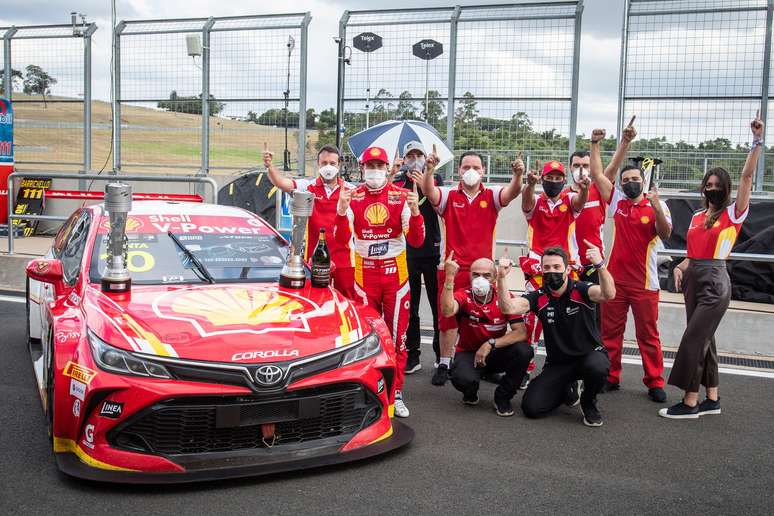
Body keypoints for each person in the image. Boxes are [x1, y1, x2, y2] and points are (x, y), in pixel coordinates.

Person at [660, 114, 763, 419]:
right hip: (694, 276)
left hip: (716, 280)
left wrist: (756, 142)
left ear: (725, 188)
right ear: (703, 188)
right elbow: (693, 252)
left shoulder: (734, 213)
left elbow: (746, 177)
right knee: (705, 338)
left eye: (718, 185)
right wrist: (680, 267)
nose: (712, 188)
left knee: (694, 338)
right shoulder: (694, 217)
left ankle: (691, 402)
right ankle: (712, 398)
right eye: (708, 184)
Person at [334, 146, 424, 418]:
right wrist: (340, 211)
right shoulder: (353, 196)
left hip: (396, 280)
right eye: (369, 166)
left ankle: (396, 392)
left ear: (387, 168)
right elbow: (339, 241)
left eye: (379, 165)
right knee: (367, 338)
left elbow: (417, 241)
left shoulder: (402, 196)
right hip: (364, 279)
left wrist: (417, 214)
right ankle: (368, 390)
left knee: (397, 340)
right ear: (362, 168)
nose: (374, 170)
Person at [422, 148, 524, 386]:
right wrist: (429, 170)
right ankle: (444, 363)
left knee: (486, 315)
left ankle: (486, 363)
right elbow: (428, 190)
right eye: (466, 167)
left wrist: (518, 175)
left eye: (476, 168)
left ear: (483, 171)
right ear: (459, 170)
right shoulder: (448, 196)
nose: (471, 171)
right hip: (452, 269)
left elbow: (513, 191)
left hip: (483, 271)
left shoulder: (493, 196)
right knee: (447, 318)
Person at [589, 133, 672, 402]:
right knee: (610, 333)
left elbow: (666, 233)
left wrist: (657, 208)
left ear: (643, 181)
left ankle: (655, 382)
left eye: (635, 179)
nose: (631, 183)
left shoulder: (658, 205)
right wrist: (603, 144)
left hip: (645, 284)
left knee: (647, 335)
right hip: (616, 282)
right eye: (626, 181)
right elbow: (598, 175)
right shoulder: (618, 202)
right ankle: (611, 377)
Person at [496, 245, 616, 427]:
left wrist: (600, 265)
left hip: (588, 357)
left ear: (567, 269)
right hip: (558, 363)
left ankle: (589, 401)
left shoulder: (581, 290)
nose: (551, 271)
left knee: (597, 367)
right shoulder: (539, 297)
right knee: (532, 408)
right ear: (541, 270)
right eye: (547, 268)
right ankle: (567, 389)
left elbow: (609, 294)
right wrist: (501, 278)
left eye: (557, 267)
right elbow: (508, 308)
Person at [519, 159, 589, 387]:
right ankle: (525, 369)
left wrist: (586, 188)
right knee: (532, 320)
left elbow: (580, 202)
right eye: (550, 177)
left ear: (564, 181)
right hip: (537, 268)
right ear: (543, 179)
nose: (554, 182)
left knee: (565, 320)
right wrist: (529, 185)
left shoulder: (570, 201)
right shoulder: (536, 201)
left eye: (558, 178)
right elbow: (526, 204)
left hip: (563, 269)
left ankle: (565, 371)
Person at [440, 254, 533, 416]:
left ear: (495, 277)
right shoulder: (464, 295)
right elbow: (447, 311)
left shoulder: (504, 298)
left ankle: (503, 396)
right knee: (462, 379)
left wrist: (490, 343)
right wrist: (449, 277)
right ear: (469, 275)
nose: (480, 279)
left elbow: (521, 333)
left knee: (524, 351)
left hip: (495, 352)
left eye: (486, 275)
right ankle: (471, 389)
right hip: (469, 353)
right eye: (475, 274)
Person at [265, 145, 355, 298]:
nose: (328, 167)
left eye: (332, 163)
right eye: (324, 163)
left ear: (339, 165)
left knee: (346, 302)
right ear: (318, 165)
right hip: (315, 259)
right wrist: (270, 166)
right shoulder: (308, 186)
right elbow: (281, 182)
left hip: (344, 260)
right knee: (315, 299)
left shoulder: (350, 189)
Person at [392, 141, 443, 374]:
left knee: (437, 304)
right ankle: (413, 354)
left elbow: (434, 200)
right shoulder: (398, 182)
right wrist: (396, 174)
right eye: (410, 155)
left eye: (418, 155)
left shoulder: (435, 179)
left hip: (431, 250)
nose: (414, 159)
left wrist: (425, 177)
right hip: (407, 251)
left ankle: (442, 354)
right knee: (410, 306)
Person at [568, 119, 637, 285]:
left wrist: (625, 142)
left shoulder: (598, 189)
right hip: (569, 264)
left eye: (585, 165)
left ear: (591, 167)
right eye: (576, 165)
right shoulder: (563, 195)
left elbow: (613, 167)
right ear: (569, 168)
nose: (581, 169)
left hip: (594, 262)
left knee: (595, 309)